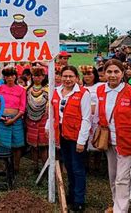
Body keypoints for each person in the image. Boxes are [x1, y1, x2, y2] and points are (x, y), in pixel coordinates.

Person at [94, 59, 131, 212]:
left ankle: (120, 209)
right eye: (109, 72)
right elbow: (97, 115)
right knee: (113, 175)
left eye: (116, 72)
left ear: (122, 73)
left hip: (127, 141)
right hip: (109, 140)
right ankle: (117, 203)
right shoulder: (101, 90)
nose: (112, 75)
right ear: (104, 73)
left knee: (122, 178)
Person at [48, 65, 91, 212]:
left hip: (77, 137)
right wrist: (49, 127)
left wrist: (81, 141)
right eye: (65, 76)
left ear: (77, 78)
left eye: (71, 76)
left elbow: (86, 119)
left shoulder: (83, 93)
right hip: (62, 135)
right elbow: (52, 113)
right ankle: (71, 194)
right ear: (60, 77)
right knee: (69, 167)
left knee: (78, 168)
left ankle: (79, 200)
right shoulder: (56, 92)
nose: (67, 79)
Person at [0, 66, 27, 173]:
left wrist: (13, 119)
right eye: (7, 76)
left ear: (15, 76)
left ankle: (16, 167)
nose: (10, 78)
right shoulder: (0, 88)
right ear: (4, 77)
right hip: (2, 120)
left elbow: (22, 109)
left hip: (16, 120)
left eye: (12, 76)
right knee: (4, 144)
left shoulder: (21, 90)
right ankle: (5, 166)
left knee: (17, 145)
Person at [25, 67, 50, 173]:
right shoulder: (27, 89)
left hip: (43, 119)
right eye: (35, 75)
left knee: (43, 146)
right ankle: (35, 167)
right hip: (30, 119)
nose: (37, 78)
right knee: (33, 146)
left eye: (39, 75)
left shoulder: (48, 89)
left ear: (43, 77)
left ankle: (45, 168)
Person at [79, 65, 103, 169]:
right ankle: (86, 164)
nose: (86, 77)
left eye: (89, 74)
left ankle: (97, 165)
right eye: (84, 74)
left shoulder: (100, 86)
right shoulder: (81, 88)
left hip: (97, 118)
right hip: (85, 118)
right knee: (86, 140)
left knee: (97, 140)